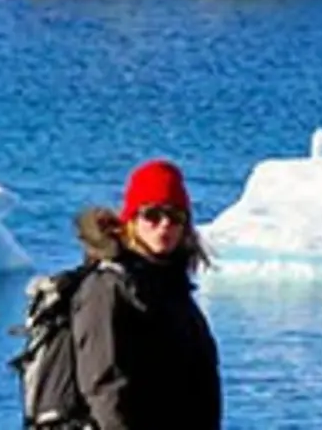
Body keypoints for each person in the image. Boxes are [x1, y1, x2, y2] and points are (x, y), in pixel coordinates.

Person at [69, 159, 223, 430]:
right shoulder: (107, 288)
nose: (164, 225)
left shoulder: (174, 289)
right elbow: (104, 386)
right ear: (131, 221)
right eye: (152, 215)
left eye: (175, 217)